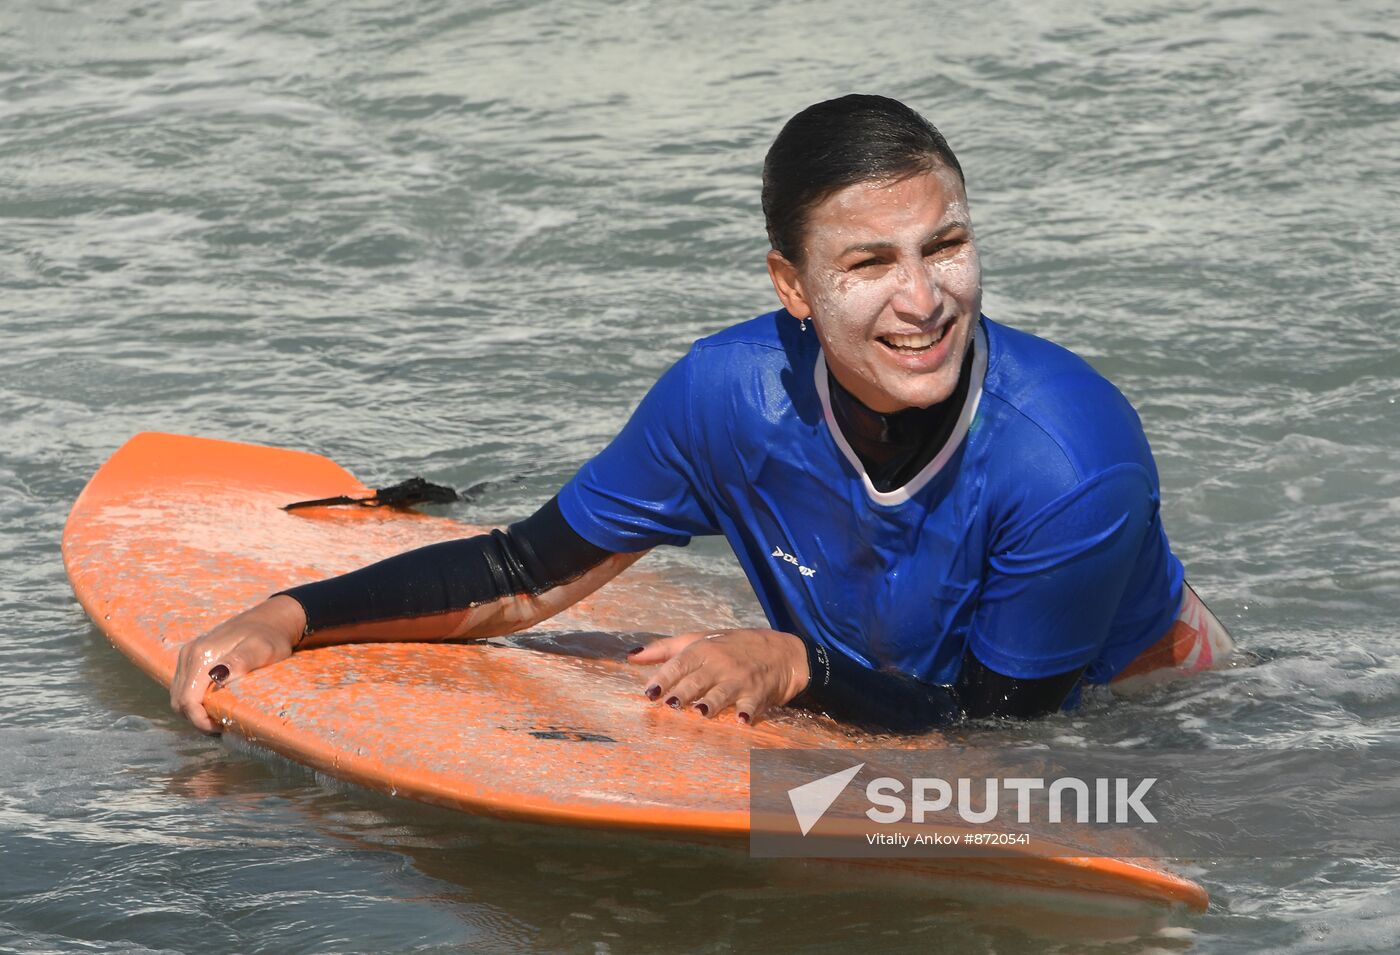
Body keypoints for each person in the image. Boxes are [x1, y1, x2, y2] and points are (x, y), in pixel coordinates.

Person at [171, 94, 1234, 736]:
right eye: (868, 262)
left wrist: (797, 669)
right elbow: (519, 576)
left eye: (944, 245)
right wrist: (288, 617)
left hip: (1141, 732)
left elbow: (1005, 749)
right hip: (920, 692)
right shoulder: (727, 394)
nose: (923, 300)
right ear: (791, 285)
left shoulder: (1070, 456)